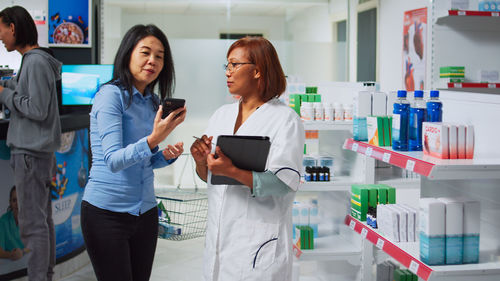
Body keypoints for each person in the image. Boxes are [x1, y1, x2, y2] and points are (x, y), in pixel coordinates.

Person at [191, 37, 305, 281]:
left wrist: (232, 171)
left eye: (234, 65)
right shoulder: (221, 115)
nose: (228, 73)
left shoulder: (285, 119)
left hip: (257, 242)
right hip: (220, 239)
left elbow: (283, 183)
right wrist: (201, 160)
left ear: (257, 71)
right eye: (227, 66)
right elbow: (210, 177)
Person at [80, 24, 186, 281]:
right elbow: (114, 160)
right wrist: (154, 139)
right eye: (145, 52)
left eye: (159, 56)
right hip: (106, 213)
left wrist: (165, 155)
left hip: (146, 212)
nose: (152, 61)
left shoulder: (152, 102)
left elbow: (144, 161)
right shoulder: (110, 96)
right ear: (128, 53)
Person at [0, 6, 61, 281]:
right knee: (42, 221)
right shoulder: (34, 61)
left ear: (13, 27)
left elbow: (35, 109)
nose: (0, 37)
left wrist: (3, 95)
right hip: (37, 154)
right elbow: (26, 92)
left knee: (32, 226)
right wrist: (9, 87)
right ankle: (44, 275)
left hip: (30, 153)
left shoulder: (35, 62)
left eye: (1, 29)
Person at [0, 186, 26, 261]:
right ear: (10, 202)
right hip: (12, 265)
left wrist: (22, 252)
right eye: (14, 200)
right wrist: (11, 255)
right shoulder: (3, 221)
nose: (17, 204)